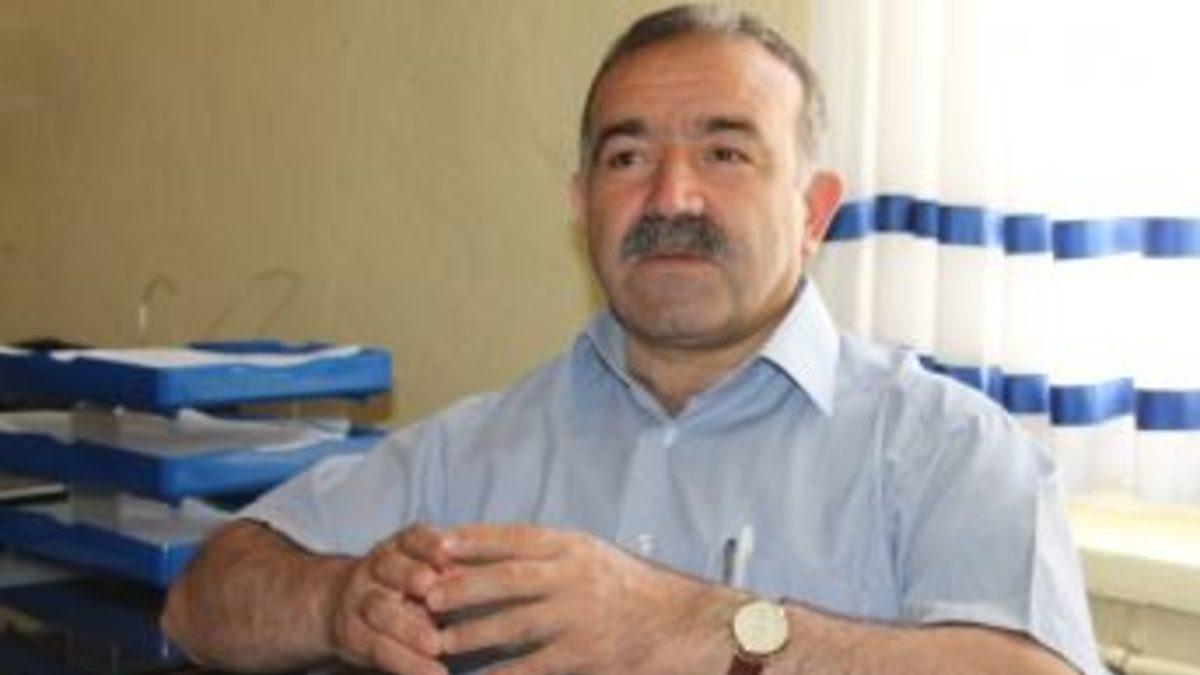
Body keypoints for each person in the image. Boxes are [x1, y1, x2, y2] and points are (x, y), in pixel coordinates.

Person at [162, 5, 1107, 675]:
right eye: (628, 156)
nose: (671, 196)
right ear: (583, 207)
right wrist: (337, 603)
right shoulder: (477, 447)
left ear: (814, 212)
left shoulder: (947, 447)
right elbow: (202, 599)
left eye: (725, 152)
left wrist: (700, 628)